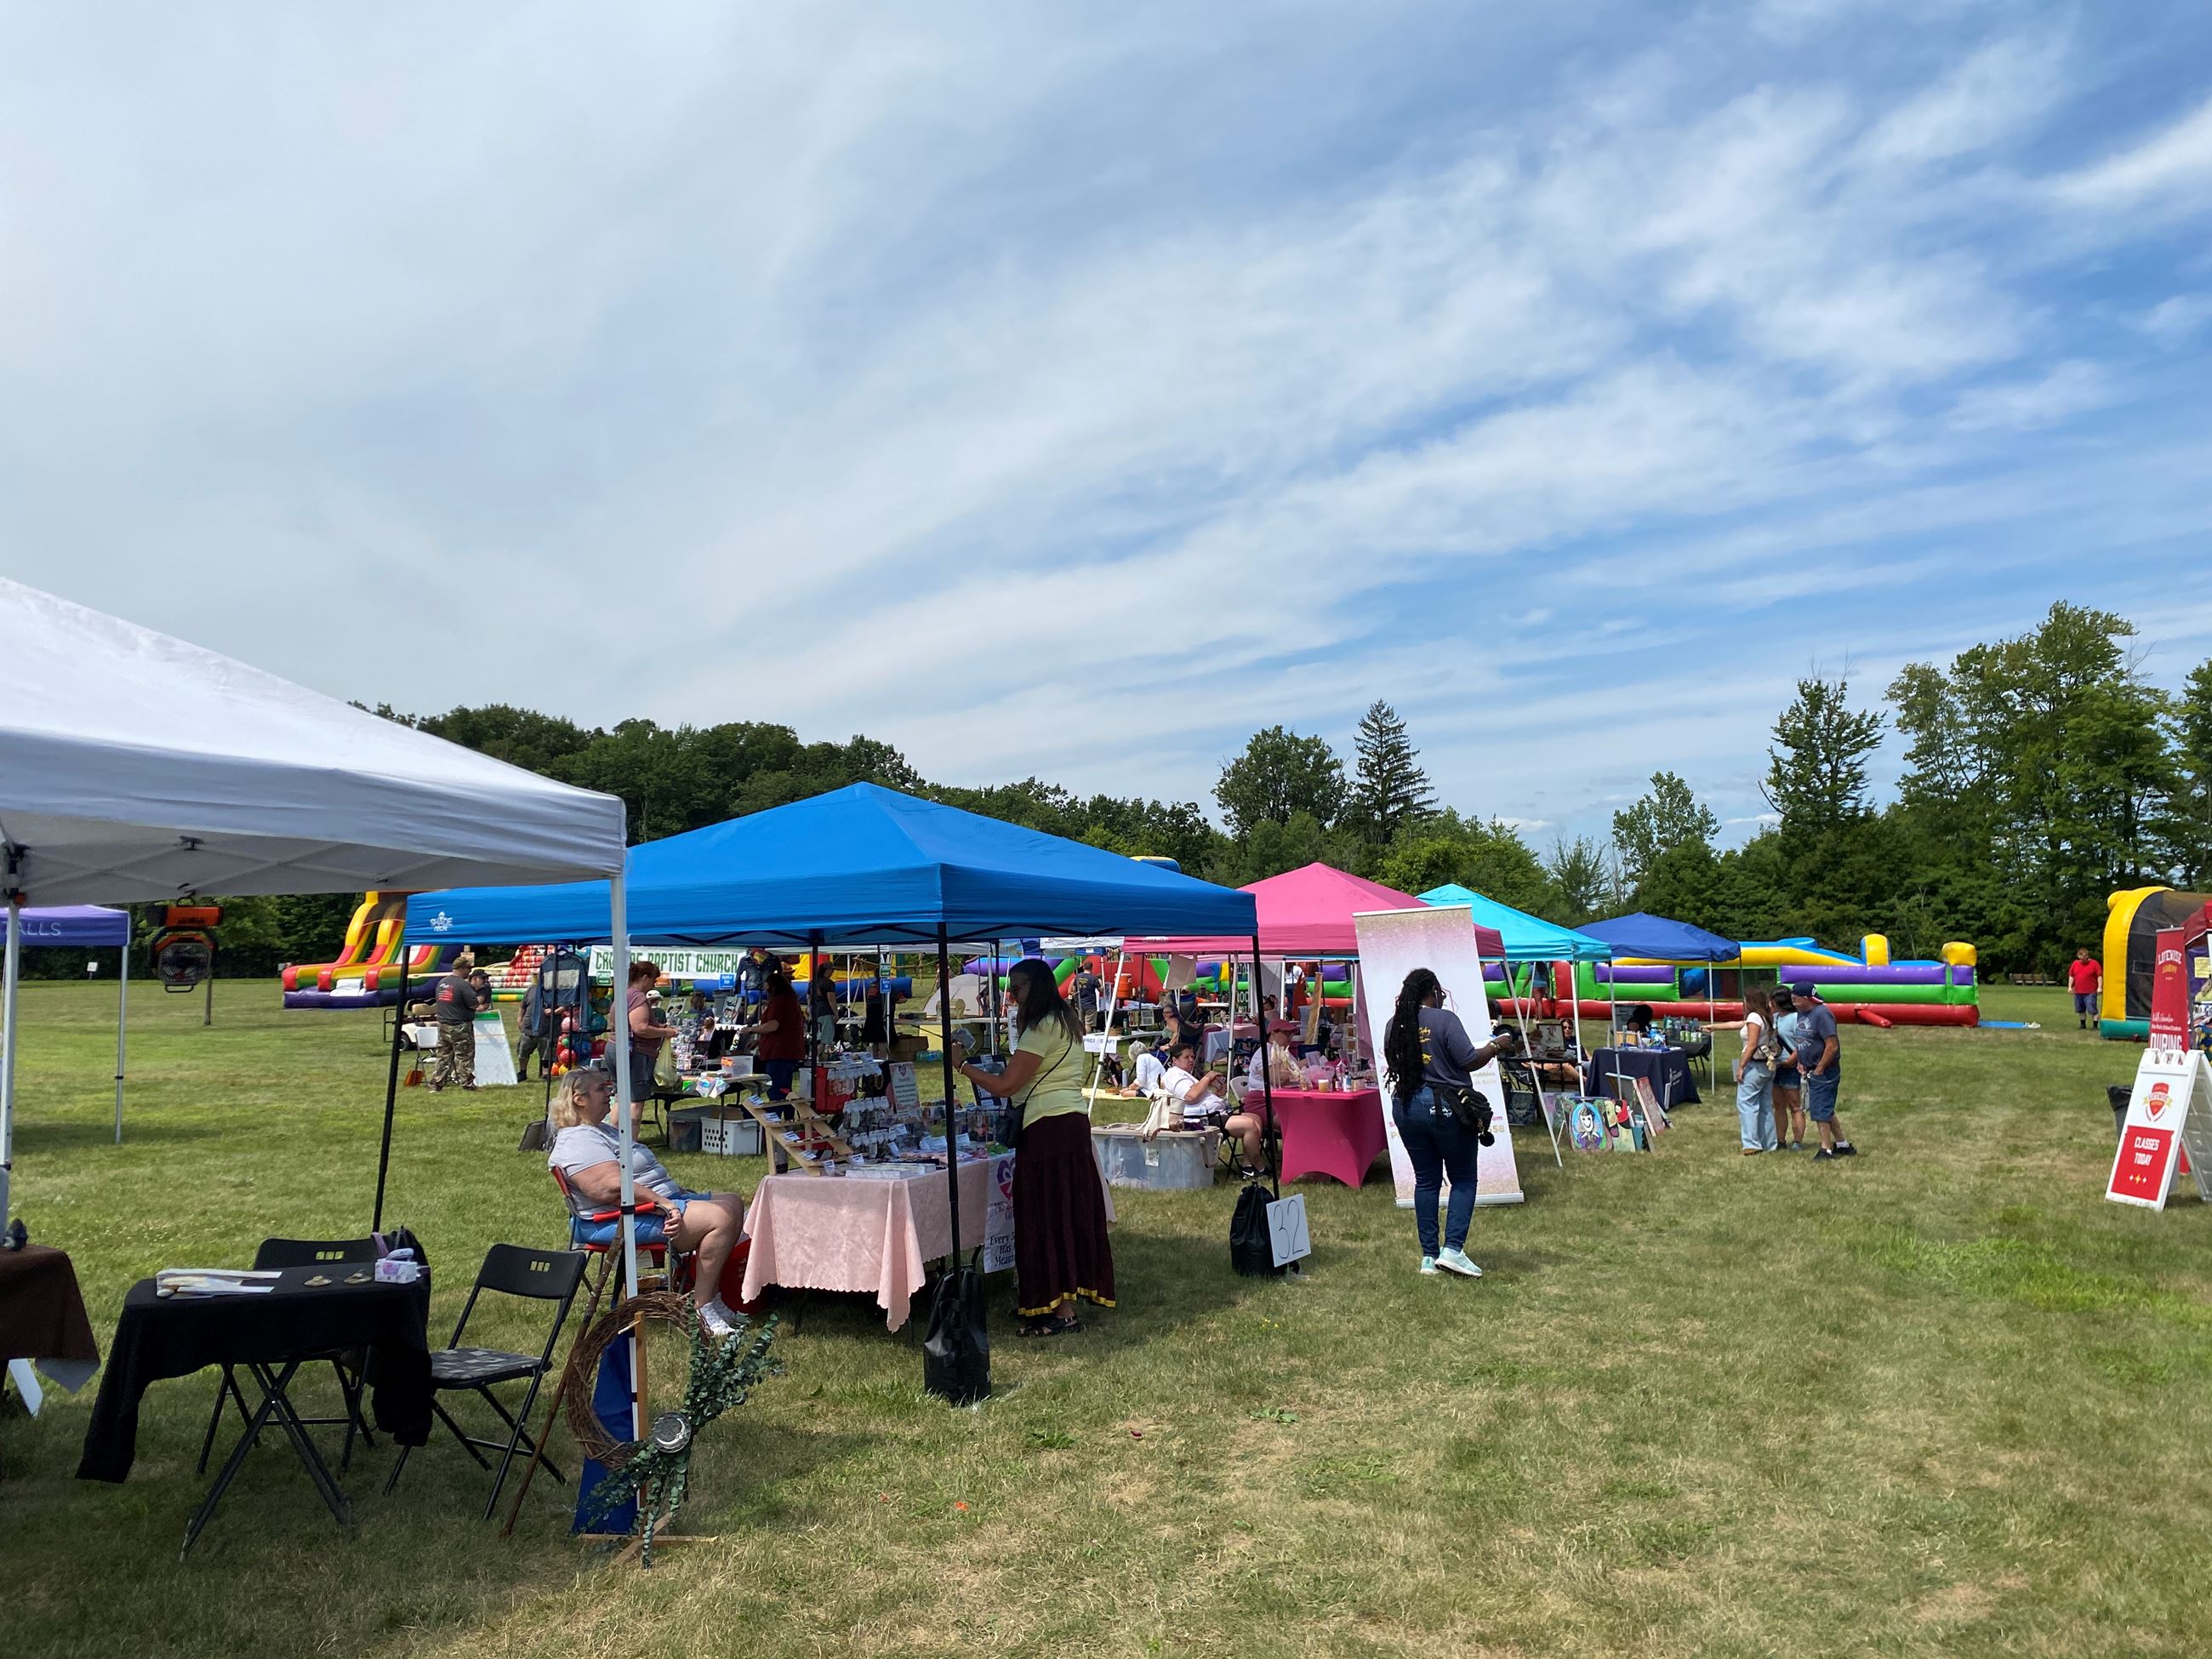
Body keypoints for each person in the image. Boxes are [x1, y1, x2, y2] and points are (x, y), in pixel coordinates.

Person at [955, 959, 1115, 1337]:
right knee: (1065, 1214)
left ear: (1037, 988)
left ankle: (1058, 1311)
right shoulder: (1065, 1022)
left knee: (1044, 1216)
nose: (1012, 995)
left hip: (1049, 1127)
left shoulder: (1042, 1028)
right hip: (1069, 1123)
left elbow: (1007, 1084)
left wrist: (962, 1067)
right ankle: (1062, 1303)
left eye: (1018, 987)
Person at [546, 1066, 749, 1337]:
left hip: (645, 1207)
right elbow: (610, 1189)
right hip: (614, 1219)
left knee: (732, 1202)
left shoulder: (600, 1130)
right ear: (578, 1099)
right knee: (719, 1218)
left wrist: (673, 1194)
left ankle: (710, 1296)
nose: (609, 1094)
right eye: (601, 1089)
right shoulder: (578, 1139)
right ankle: (702, 1309)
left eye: (609, 1087)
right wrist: (664, 1203)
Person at [1382, 966, 1520, 1280]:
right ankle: (1453, 1250)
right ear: (1433, 990)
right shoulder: (1445, 1020)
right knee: (1463, 1178)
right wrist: (1497, 1045)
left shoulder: (1394, 1024)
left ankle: (1429, 1257)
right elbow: (1468, 1059)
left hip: (1405, 1106)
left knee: (1426, 1180)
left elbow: (1394, 1063)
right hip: (1446, 1107)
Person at [1788, 979, 1856, 1161]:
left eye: (1795, 999)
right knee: (1825, 1107)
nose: (1792, 1002)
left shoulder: (1822, 1014)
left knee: (1819, 1110)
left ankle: (1825, 1149)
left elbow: (1832, 1046)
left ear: (1806, 998)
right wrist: (1801, 1061)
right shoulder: (1802, 1013)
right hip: (1809, 1068)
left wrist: (1819, 1068)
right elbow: (1804, 1039)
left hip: (1825, 1071)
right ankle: (1843, 1145)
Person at [1732, 985, 1779, 1155]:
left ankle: (1751, 1143)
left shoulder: (1753, 1017)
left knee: (1746, 1104)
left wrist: (1741, 1066)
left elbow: (1751, 1045)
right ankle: (1770, 1144)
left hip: (1754, 1065)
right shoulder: (1765, 1017)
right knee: (1765, 1106)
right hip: (1767, 1066)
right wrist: (1714, 1026)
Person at [623, 961, 677, 1107]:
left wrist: (659, 1027)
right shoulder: (638, 997)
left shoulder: (624, 994)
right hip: (637, 1053)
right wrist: (665, 1032)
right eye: (653, 980)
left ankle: (617, 1130)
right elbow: (640, 1028)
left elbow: (630, 1023)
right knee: (636, 1102)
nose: (653, 984)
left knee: (621, 1098)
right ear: (645, 978)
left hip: (620, 1049)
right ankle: (631, 1130)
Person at [751, 966, 807, 1099]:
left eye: (766, 986)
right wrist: (760, 1041)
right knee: (786, 1089)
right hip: (788, 1051)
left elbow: (773, 1025)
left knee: (776, 1089)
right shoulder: (791, 1001)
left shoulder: (779, 1002)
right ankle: (788, 1117)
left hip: (779, 1053)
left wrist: (751, 1030)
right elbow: (784, 1028)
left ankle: (775, 1118)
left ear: (772, 986)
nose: (765, 989)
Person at [430, 950, 481, 1092]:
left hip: (443, 1024)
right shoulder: (463, 985)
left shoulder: (442, 983)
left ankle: (436, 1083)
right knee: (464, 1055)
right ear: (462, 969)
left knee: (443, 1055)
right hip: (460, 1025)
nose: (469, 972)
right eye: (468, 969)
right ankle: (467, 1083)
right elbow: (473, 1004)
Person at [1770, 985, 1805, 1151]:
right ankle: (1780, 1140)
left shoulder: (1796, 1018)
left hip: (1791, 1066)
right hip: (1776, 1065)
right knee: (1778, 1104)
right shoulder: (1774, 1018)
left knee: (1795, 1105)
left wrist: (1792, 1059)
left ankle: (1797, 1141)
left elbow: (1802, 1042)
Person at [807, 962, 842, 1049]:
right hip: (826, 1012)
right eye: (832, 970)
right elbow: (831, 1000)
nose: (833, 972)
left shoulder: (812, 982)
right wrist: (836, 1014)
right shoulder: (829, 983)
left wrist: (809, 1009)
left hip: (814, 1011)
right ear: (827, 970)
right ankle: (818, 1057)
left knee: (816, 1038)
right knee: (825, 1040)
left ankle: (813, 1056)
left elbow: (809, 997)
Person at [2068, 948, 2101, 1031]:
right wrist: (2069, 987)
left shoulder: (2094, 964)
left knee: (2092, 1008)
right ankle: (2083, 1025)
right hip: (2078, 991)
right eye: (2082, 957)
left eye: (2086, 957)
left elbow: (2099, 976)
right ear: (2079, 956)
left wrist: (2100, 987)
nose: (2084, 959)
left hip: (2090, 991)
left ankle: (2095, 1025)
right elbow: (2071, 976)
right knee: (2080, 1009)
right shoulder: (2075, 964)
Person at [1072, 964, 1104, 1031]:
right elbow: (1101, 990)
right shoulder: (1094, 978)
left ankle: (1081, 1038)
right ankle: (1086, 1039)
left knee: (1080, 1023)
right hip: (1090, 1004)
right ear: (1092, 968)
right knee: (1088, 1024)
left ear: (1084, 967)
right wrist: (1102, 984)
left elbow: (1074, 990)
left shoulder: (1077, 977)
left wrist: (1076, 1001)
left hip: (1080, 1004)